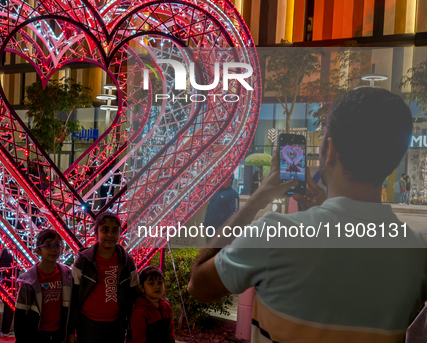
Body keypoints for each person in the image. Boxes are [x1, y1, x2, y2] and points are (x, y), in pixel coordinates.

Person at [188, 88, 427, 342]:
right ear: (394, 158)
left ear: (330, 149)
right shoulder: (418, 251)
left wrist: (257, 199)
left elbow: (199, 285)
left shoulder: (275, 234)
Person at [68, 212, 139, 343]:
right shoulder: (83, 260)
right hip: (88, 325)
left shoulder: (127, 261)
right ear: (96, 233)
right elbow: (73, 297)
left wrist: (130, 331)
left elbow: (133, 299)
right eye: (105, 230)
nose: (110, 235)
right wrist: (71, 331)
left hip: (116, 326)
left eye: (115, 230)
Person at [14, 229, 72, 343]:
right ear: (38, 251)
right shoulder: (29, 281)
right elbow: (20, 316)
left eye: (57, 245)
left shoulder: (67, 275)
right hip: (36, 335)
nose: (53, 249)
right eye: (48, 245)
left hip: (58, 335)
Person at [128, 266, 175, 343]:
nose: (156, 287)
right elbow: (139, 339)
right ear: (142, 288)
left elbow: (170, 331)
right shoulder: (140, 312)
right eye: (151, 283)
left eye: (160, 282)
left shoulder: (167, 307)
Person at [203, 174, 239, 243]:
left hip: (221, 232)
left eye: (223, 178)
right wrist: (205, 224)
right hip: (210, 231)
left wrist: (224, 227)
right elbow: (209, 209)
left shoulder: (233, 195)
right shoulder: (216, 193)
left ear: (230, 180)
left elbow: (234, 212)